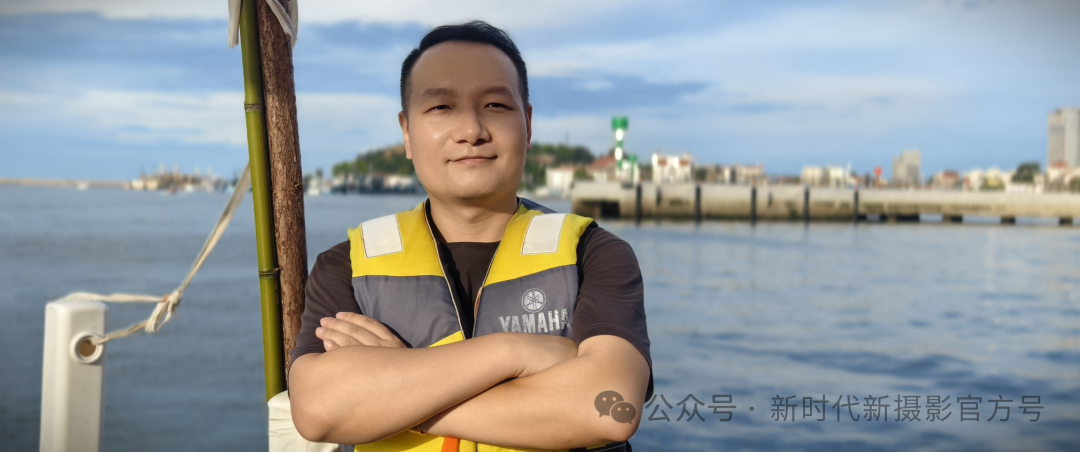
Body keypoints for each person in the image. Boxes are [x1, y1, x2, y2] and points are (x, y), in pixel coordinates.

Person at [288, 21, 652, 452]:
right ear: (406, 132)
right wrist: (513, 352)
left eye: (495, 105)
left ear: (527, 124)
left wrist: (391, 392)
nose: (471, 130)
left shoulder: (592, 254)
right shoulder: (348, 265)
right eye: (441, 107)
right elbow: (318, 409)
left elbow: (610, 409)